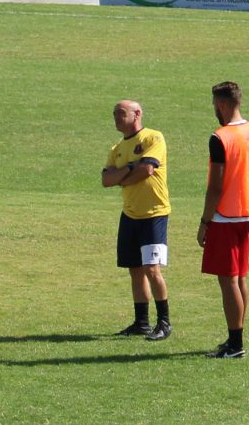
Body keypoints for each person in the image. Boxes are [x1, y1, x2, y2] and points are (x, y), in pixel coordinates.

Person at [198, 82, 249, 358]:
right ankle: (235, 337)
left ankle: (236, 344)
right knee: (240, 277)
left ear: (223, 105)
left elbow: (215, 187)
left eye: (215, 105)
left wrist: (205, 222)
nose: (215, 110)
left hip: (226, 214)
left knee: (228, 281)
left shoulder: (220, 138)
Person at [102, 100, 172, 341]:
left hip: (154, 214)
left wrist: (124, 175)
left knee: (152, 269)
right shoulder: (117, 148)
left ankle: (164, 322)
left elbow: (148, 170)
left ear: (137, 114)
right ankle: (141, 323)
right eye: (114, 114)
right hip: (130, 214)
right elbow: (106, 180)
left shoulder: (153, 138)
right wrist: (132, 169)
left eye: (121, 114)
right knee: (134, 269)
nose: (116, 118)